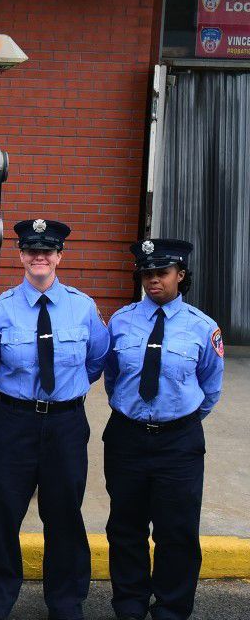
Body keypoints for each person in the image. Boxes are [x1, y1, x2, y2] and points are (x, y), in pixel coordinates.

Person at [0, 219, 110, 620]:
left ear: (59, 256)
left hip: (66, 423)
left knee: (65, 514)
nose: (40, 256)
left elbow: (96, 361)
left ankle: (66, 603)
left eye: (47, 250)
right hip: (13, 422)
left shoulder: (83, 308)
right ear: (21, 255)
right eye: (31, 249)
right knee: (3, 514)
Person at [103, 238, 223, 620]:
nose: (153, 280)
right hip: (127, 437)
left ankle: (171, 609)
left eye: (162, 272)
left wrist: (175, 421)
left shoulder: (203, 328)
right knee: (126, 527)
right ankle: (130, 605)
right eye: (147, 273)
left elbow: (210, 387)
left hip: (179, 442)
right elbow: (112, 378)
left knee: (177, 532)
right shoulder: (120, 321)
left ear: (180, 275)